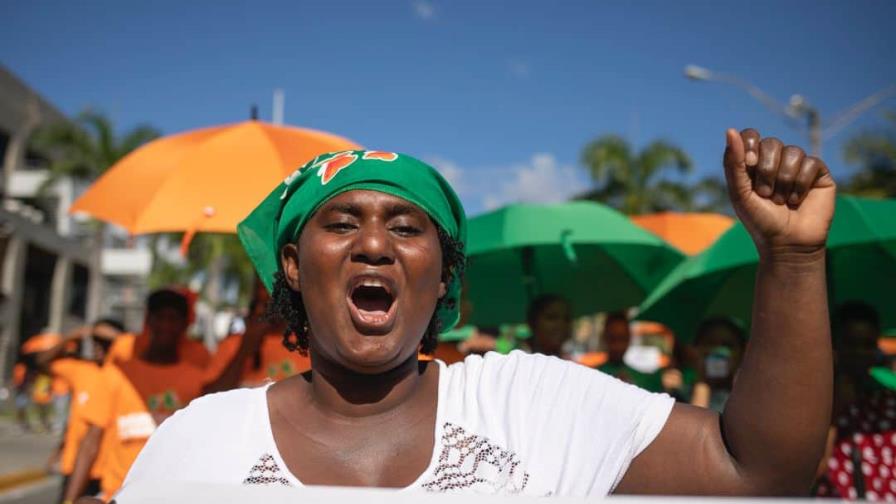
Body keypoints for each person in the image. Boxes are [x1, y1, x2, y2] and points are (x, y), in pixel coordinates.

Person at [116, 131, 835, 498]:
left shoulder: (530, 405)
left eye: (406, 228)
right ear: (296, 268)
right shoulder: (200, 443)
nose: (374, 244)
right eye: (342, 225)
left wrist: (794, 261)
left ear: (443, 277)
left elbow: (759, 472)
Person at [65, 289, 206, 502]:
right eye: (160, 318)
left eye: (173, 319)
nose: (166, 326)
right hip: (117, 495)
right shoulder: (118, 373)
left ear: (185, 325)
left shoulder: (196, 381)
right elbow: (91, 441)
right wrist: (69, 499)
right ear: (148, 321)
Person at [36, 319, 124, 501]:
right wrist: (71, 336)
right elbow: (42, 361)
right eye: (95, 341)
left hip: (106, 473)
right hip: (75, 468)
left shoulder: (124, 374)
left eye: (104, 343)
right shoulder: (82, 369)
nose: (98, 347)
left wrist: (113, 337)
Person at [202, 279, 310, 393]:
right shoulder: (231, 345)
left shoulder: (307, 345)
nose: (259, 311)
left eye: (267, 304)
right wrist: (242, 353)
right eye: (255, 304)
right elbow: (209, 397)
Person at [689, 317, 747, 412]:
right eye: (710, 344)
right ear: (695, 350)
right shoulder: (677, 396)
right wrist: (703, 382)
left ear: (742, 353)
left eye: (727, 346)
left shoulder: (751, 397)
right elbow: (691, 425)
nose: (718, 352)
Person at [597, 312, 664, 392]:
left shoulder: (643, 380)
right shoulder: (594, 377)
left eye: (622, 339)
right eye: (613, 339)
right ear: (605, 337)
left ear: (629, 338)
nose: (618, 345)